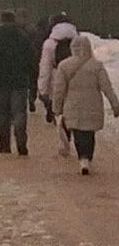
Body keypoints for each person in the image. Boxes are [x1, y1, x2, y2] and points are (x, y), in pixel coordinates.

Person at [51, 32, 119, 175]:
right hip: (93, 106)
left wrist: (56, 108)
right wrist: (115, 104)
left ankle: (82, 159)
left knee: (78, 133)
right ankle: (87, 158)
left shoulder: (64, 66)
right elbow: (107, 88)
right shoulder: (97, 66)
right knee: (89, 134)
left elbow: (59, 90)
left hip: (72, 106)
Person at [0, 9, 35, 155]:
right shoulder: (23, 38)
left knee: (3, 113)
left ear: (1, 21)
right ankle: (21, 143)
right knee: (19, 112)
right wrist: (32, 79)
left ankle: (4, 144)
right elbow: (31, 60)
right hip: (19, 81)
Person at [39, 14, 78, 151]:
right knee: (72, 108)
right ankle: (72, 130)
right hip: (75, 79)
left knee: (59, 109)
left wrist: (42, 89)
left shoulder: (49, 43)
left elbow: (45, 67)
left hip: (57, 79)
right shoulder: (79, 40)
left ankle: (63, 134)